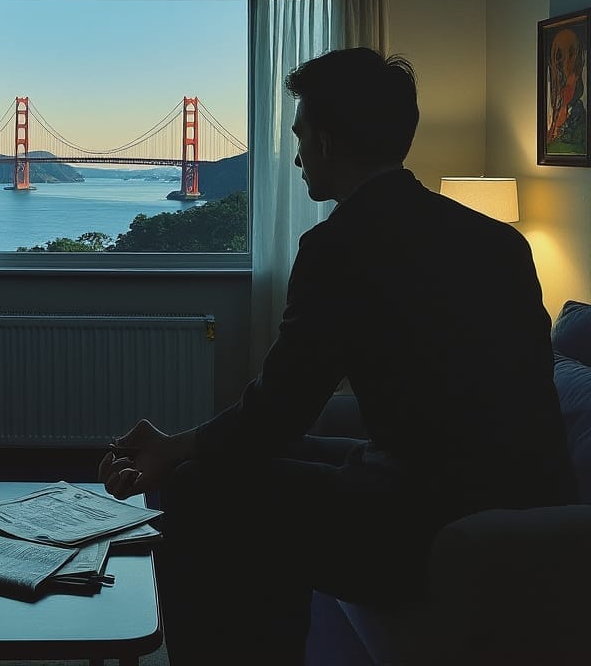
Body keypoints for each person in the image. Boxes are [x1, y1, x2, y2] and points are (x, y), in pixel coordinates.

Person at [98, 47, 578, 664]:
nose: (295, 157)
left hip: (427, 523)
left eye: (300, 138)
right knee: (256, 461)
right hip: (515, 498)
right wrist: (185, 441)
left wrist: (175, 448)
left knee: (197, 489)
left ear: (325, 142)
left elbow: (278, 409)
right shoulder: (499, 242)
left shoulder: (338, 248)